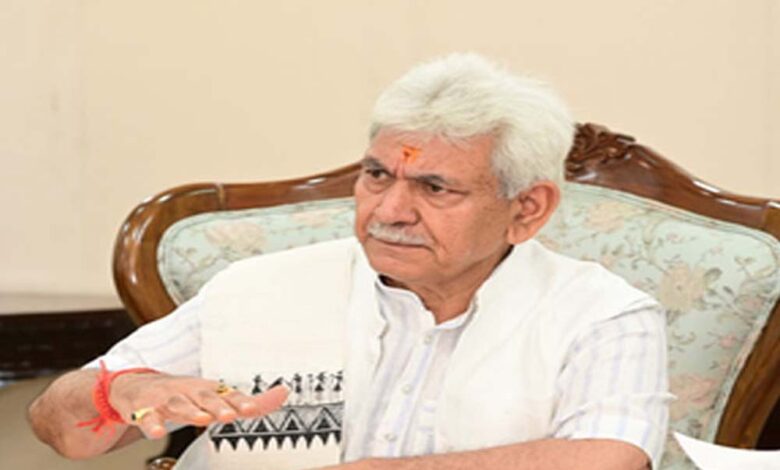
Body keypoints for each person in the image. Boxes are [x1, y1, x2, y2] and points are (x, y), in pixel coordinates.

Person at [29, 53, 671, 469]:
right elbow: (62, 425)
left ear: (527, 209)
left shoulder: (602, 314)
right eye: (377, 175)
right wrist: (120, 394)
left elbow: (607, 455)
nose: (389, 210)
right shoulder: (258, 289)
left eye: (434, 188)